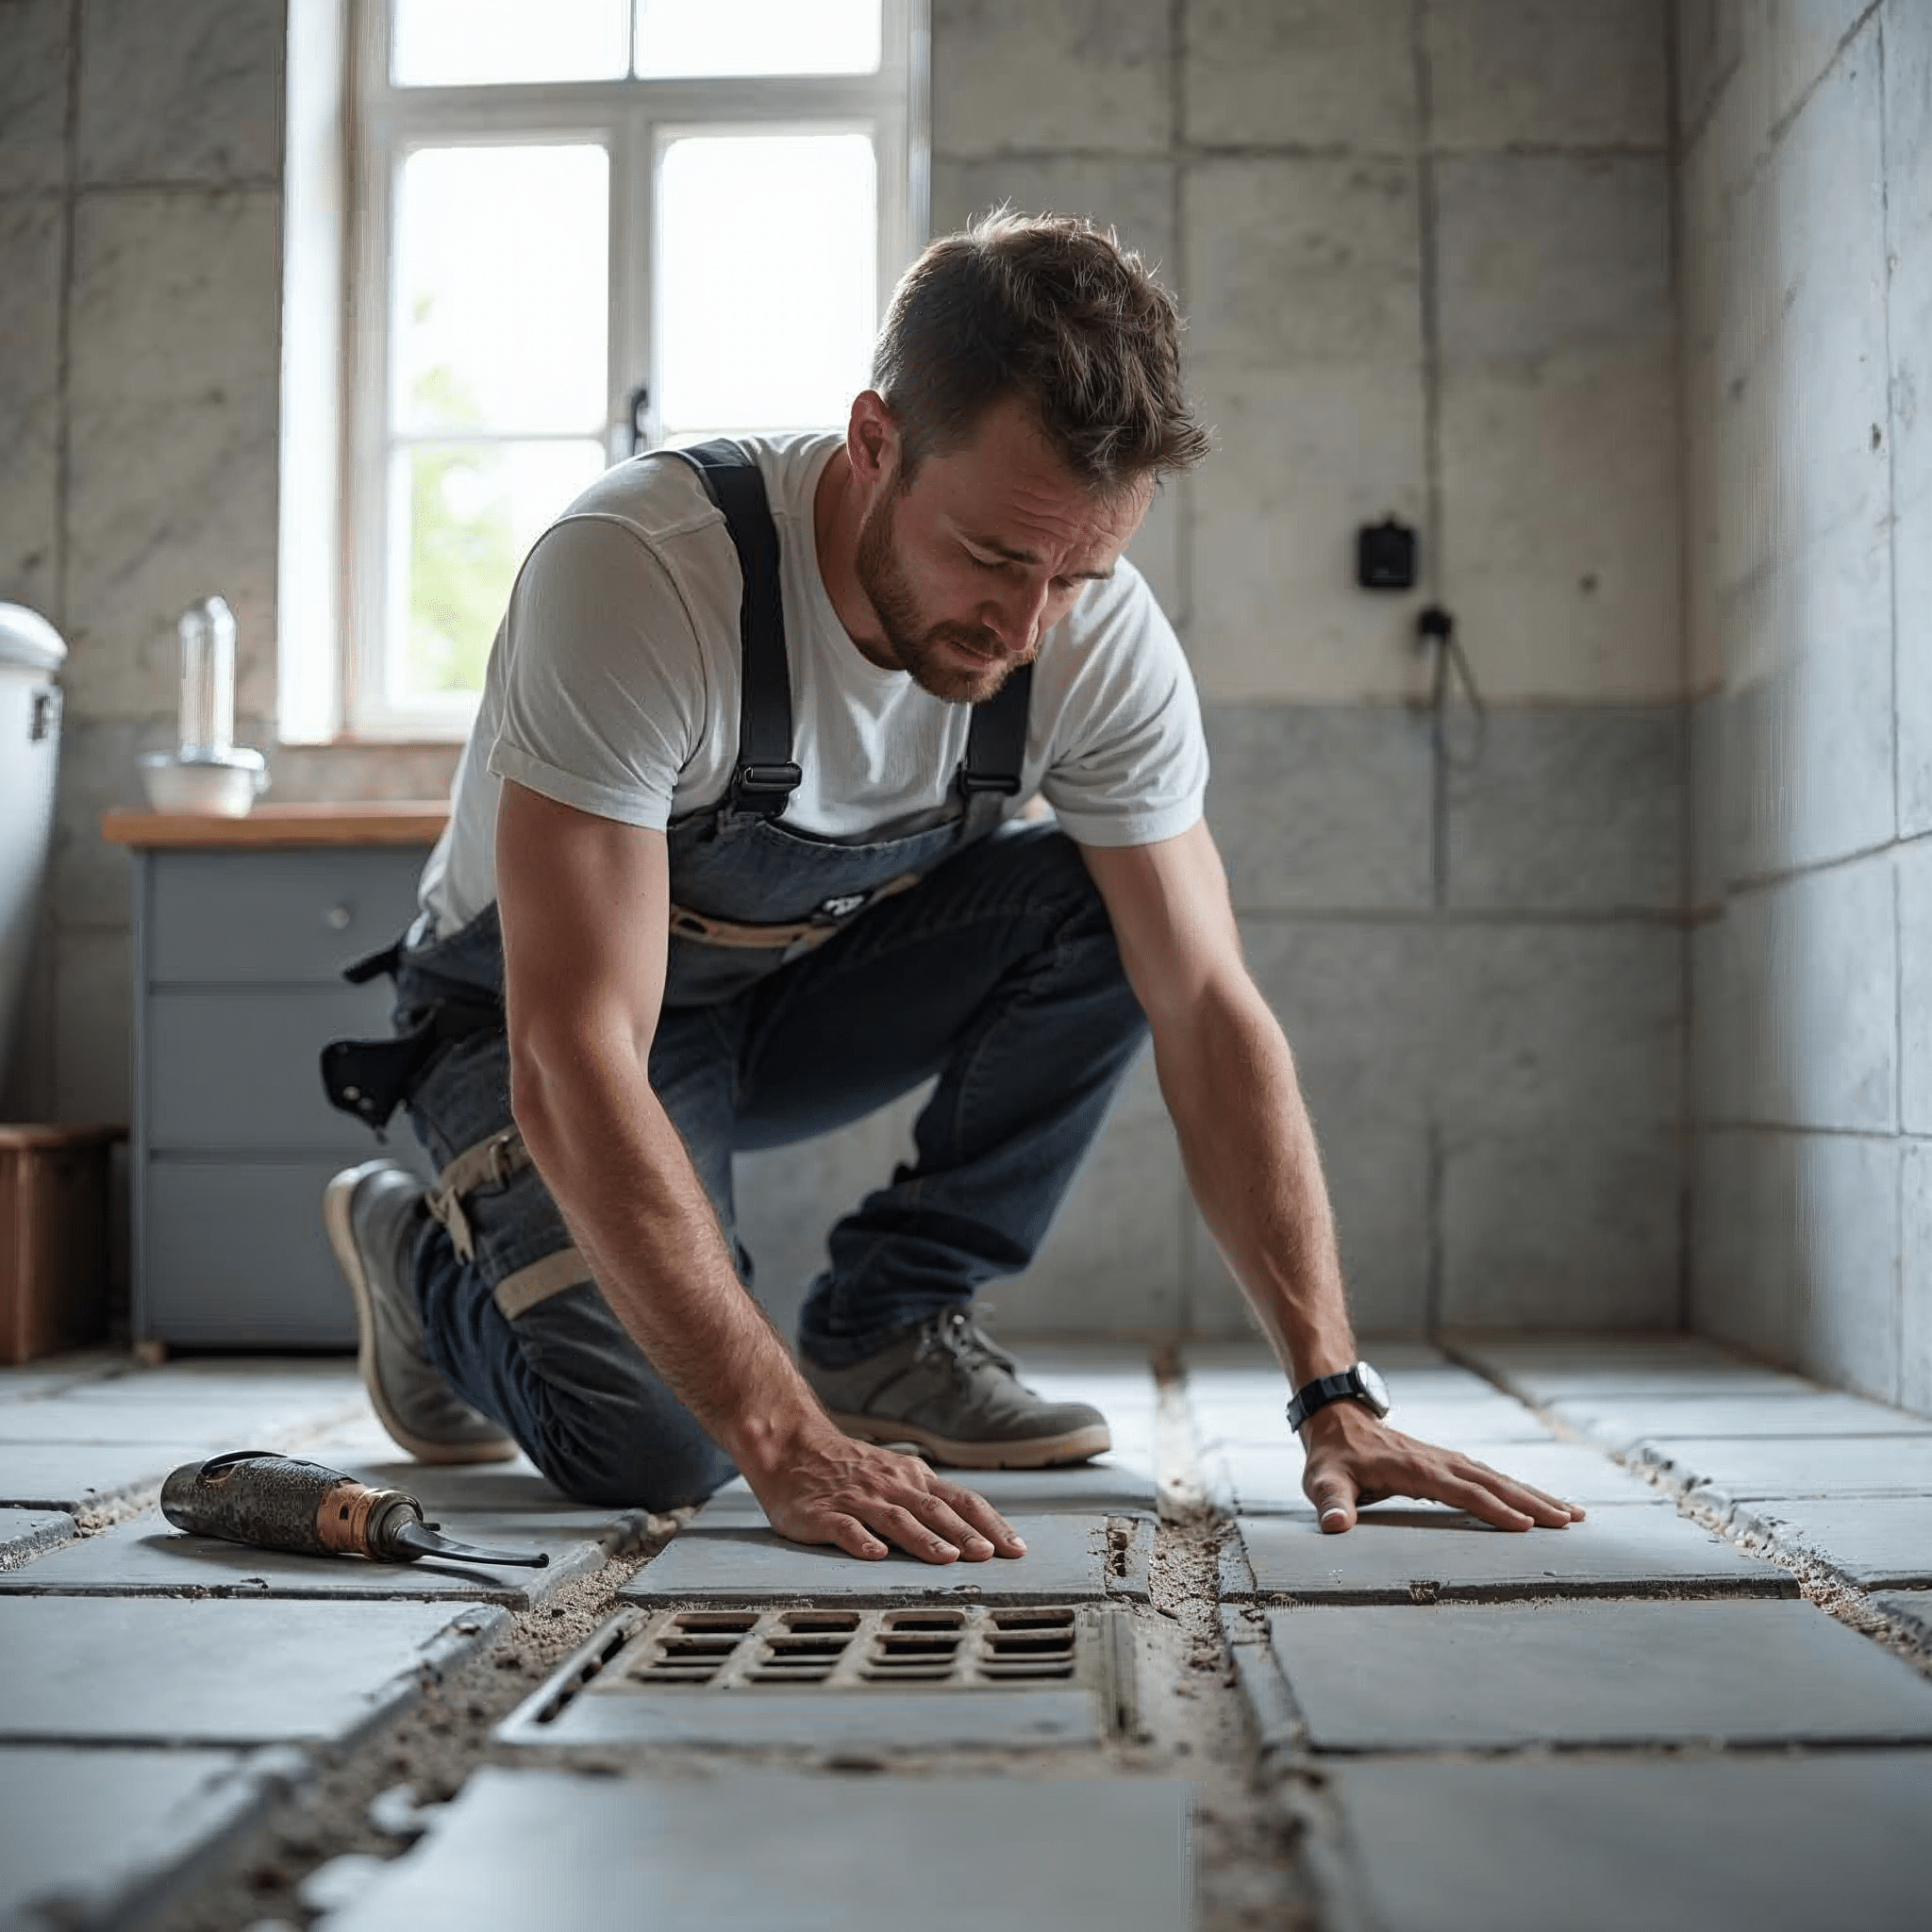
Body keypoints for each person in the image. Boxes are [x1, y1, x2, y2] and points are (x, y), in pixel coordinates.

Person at [322, 211, 1583, 1569]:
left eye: (1075, 574)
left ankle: (888, 1327)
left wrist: (1333, 1393)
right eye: (990, 559)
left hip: (798, 997)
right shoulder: (643, 574)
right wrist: (782, 1441)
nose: (1025, 626)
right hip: (535, 1013)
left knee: (1118, 909)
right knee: (664, 1449)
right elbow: (573, 1056)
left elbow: (1209, 1007)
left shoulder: (1091, 638)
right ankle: (415, 1260)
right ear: (875, 444)